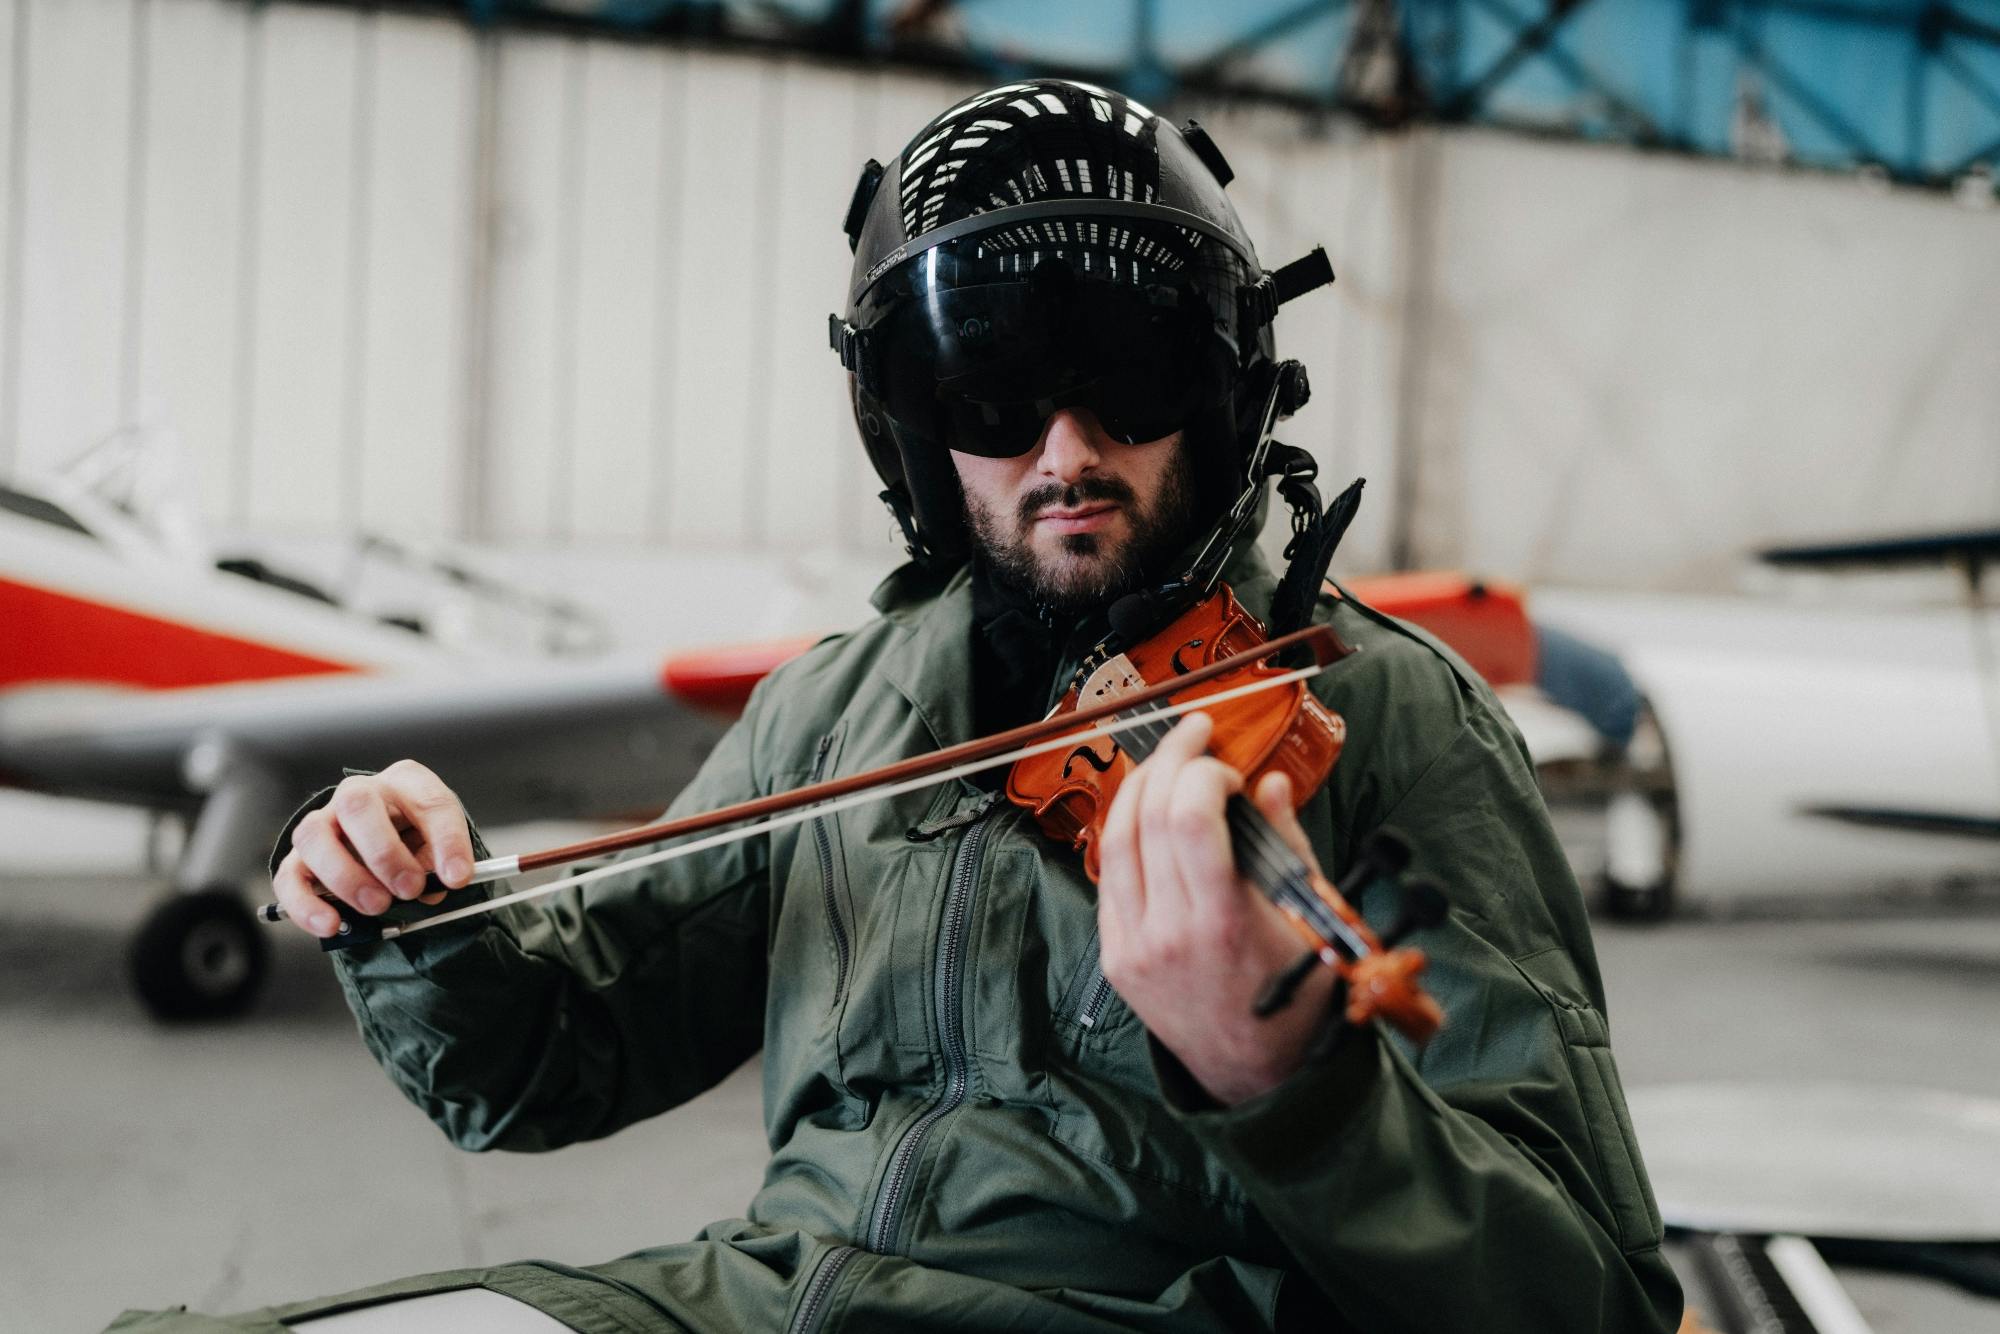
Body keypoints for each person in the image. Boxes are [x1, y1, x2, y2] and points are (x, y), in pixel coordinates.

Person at [114, 79, 1683, 1332]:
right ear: (919, 434)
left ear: (1218, 391)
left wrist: (1294, 1085)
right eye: (992, 394)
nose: (1063, 447)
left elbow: (1588, 1300)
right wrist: (413, 915)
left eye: (1125, 379)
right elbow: (557, 1053)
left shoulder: (1388, 717)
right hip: (774, 1295)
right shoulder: (837, 703)